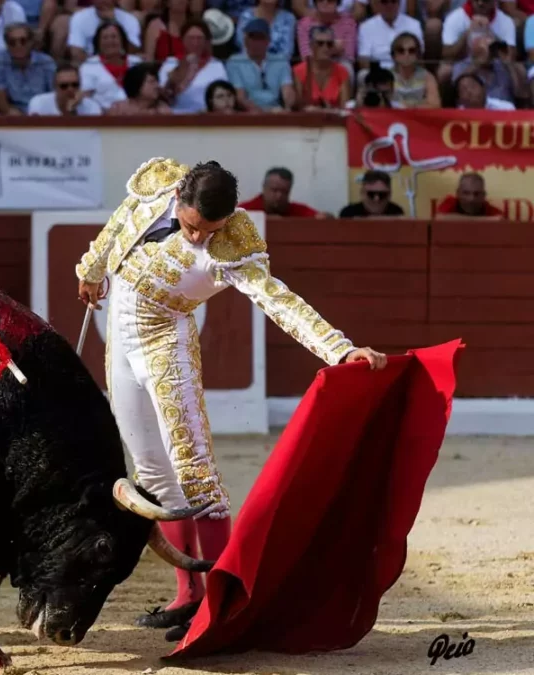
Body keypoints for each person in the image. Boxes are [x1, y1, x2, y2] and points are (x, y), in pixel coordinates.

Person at [74, 158, 385, 640]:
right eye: (193, 226)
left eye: (210, 230)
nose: (198, 239)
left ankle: (220, 601)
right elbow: (120, 221)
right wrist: (92, 269)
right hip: (119, 341)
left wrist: (340, 350)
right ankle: (188, 593)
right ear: (178, 200)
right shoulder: (159, 185)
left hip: (165, 345)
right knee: (151, 470)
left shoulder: (232, 244)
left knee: (194, 470)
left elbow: (280, 301)